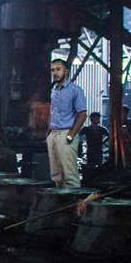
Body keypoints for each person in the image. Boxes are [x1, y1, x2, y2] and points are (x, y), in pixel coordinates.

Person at [47, 59, 87, 188]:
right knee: (56, 175)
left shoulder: (75, 91)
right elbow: (52, 112)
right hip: (54, 134)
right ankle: (60, 202)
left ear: (66, 71)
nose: (55, 73)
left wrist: (71, 135)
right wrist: (48, 133)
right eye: (53, 70)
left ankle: (74, 204)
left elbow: (82, 114)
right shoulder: (54, 91)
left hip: (66, 133)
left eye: (58, 69)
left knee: (69, 174)